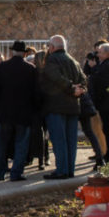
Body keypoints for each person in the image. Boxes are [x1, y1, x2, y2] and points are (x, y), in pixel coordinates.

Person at [0, 40, 40, 182]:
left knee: (0, 143)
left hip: (4, 112)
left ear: (12, 52)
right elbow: (36, 93)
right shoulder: (31, 69)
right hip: (24, 113)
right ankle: (16, 173)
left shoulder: (1, 68)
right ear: (25, 53)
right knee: (21, 144)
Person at [40, 34, 87, 179]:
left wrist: (71, 88)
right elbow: (84, 80)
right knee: (71, 140)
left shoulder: (52, 59)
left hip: (56, 107)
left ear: (52, 47)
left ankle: (62, 170)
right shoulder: (73, 61)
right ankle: (70, 170)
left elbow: (56, 78)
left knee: (59, 140)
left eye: (49, 46)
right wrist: (79, 89)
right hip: (73, 106)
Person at [89, 42, 109, 162]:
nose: (98, 54)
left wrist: (94, 70)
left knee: (108, 130)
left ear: (107, 54)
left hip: (107, 103)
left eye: (101, 52)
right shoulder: (108, 64)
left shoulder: (108, 66)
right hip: (108, 102)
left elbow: (103, 84)